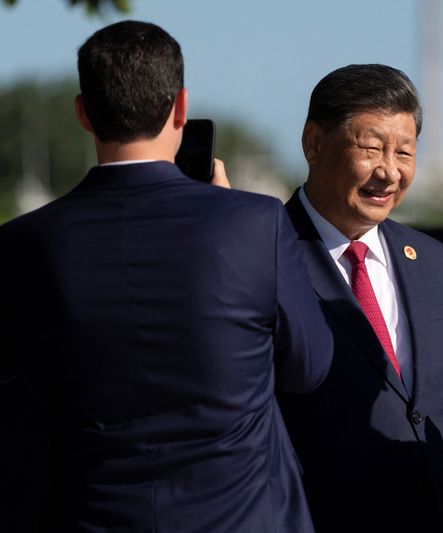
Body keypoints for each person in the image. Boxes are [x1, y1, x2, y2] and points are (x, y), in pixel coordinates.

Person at [0, 20, 332, 532]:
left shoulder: (22, 243)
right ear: (180, 106)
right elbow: (309, 368)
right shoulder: (254, 224)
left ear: (83, 113)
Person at [276, 64, 443, 533]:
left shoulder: (440, 263)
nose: (389, 171)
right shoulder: (264, 256)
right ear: (314, 143)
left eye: (404, 152)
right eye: (372, 148)